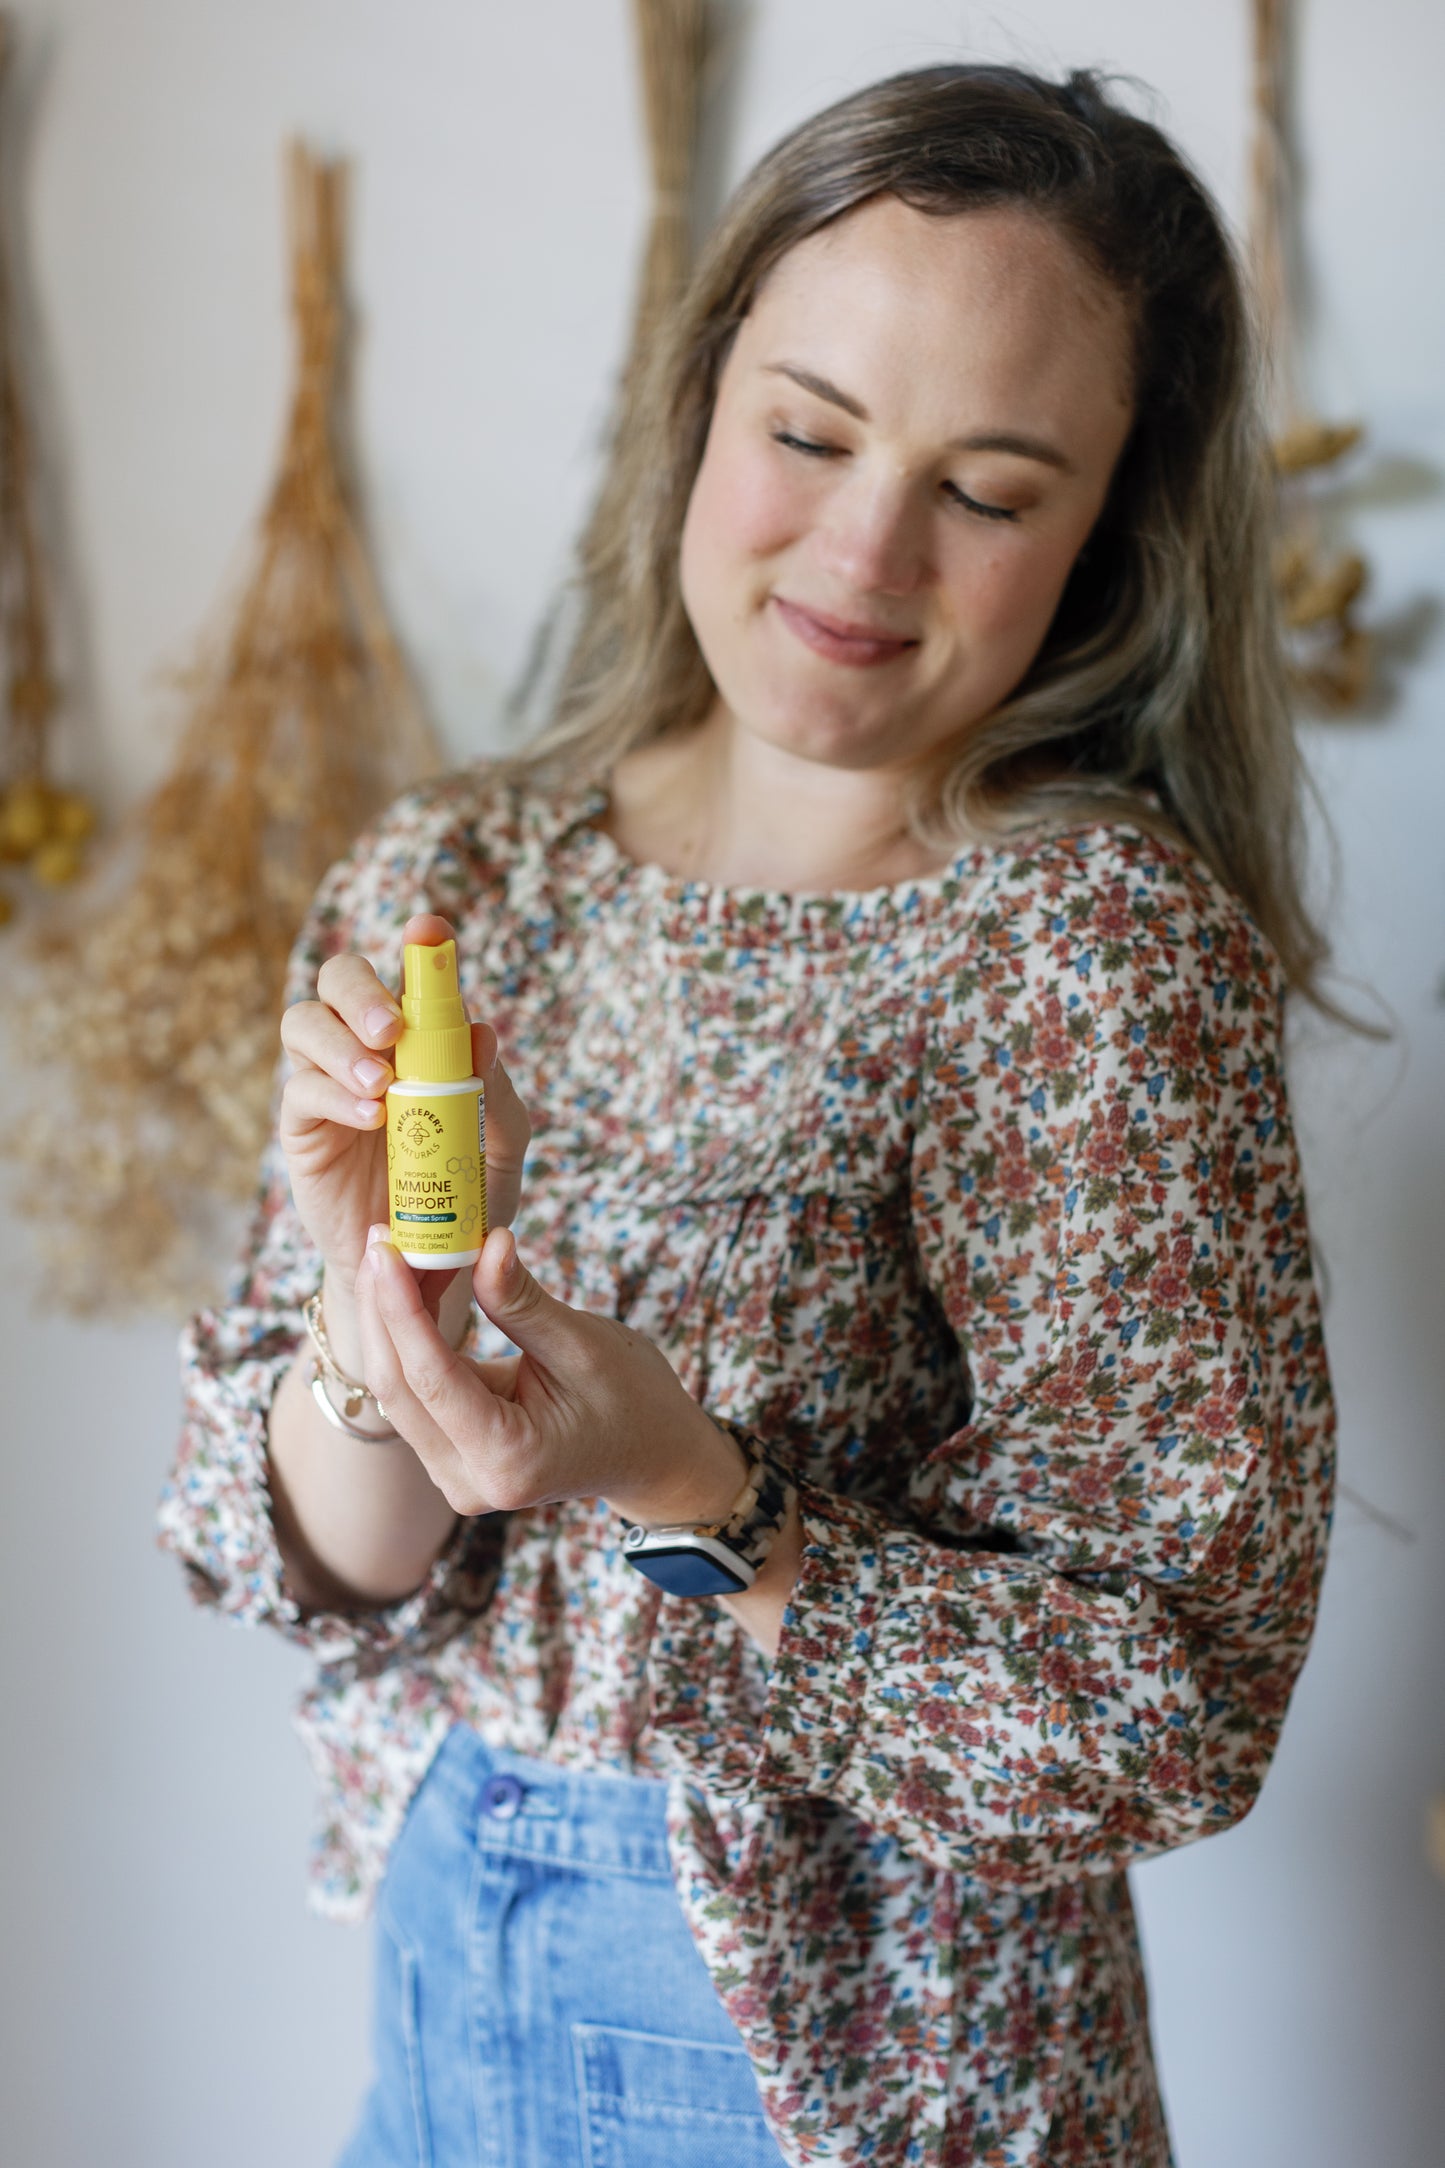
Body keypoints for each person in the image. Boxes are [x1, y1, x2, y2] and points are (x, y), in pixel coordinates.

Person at [160, 62, 1337, 2168]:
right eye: (808, 431)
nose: (866, 547)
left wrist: (690, 1486)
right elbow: (308, 1566)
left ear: (1104, 537)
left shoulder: (1086, 946)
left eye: (990, 489)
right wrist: (373, 1313)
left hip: (855, 2077)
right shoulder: (449, 883)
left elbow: (1173, 1697)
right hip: (446, 1981)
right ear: (699, 402)